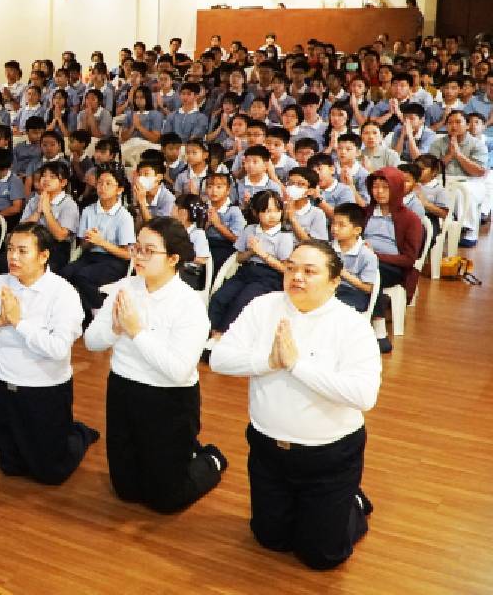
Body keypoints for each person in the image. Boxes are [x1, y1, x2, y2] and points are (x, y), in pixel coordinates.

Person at [210, 240, 381, 571]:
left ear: (335, 281)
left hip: (328, 456)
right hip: (268, 449)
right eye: (290, 267)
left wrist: (296, 365)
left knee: (321, 557)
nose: (296, 277)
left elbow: (364, 395)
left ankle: (352, 502)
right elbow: (219, 358)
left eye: (309, 271)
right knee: (270, 540)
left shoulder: (352, 324)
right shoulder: (263, 307)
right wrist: (269, 361)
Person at [85, 217, 227, 512]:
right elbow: (91, 343)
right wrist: (113, 328)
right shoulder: (126, 287)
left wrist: (136, 331)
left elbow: (178, 370)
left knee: (167, 500)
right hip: (123, 391)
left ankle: (210, 459)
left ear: (173, 259)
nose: (138, 256)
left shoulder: (189, 304)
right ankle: (185, 453)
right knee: (126, 491)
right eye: (137, 248)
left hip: (169, 400)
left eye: (149, 251)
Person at [0, 223, 98, 484]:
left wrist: (19, 323)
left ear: (44, 255)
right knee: (10, 467)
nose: (13, 257)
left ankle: (79, 433)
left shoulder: (63, 293)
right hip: (2, 385)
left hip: (44, 389)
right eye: (11, 249)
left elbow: (58, 349)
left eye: (23, 251)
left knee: (51, 474)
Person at [207, 190, 294, 340]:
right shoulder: (250, 230)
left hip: (269, 276)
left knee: (242, 301)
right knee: (219, 297)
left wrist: (262, 253)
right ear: (256, 212)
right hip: (246, 271)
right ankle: (209, 332)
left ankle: (223, 337)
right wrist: (251, 252)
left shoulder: (284, 236)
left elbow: (285, 268)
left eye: (276, 210)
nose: (272, 215)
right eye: (267, 211)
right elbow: (239, 258)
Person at [362, 167, 425, 353]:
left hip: (392, 266)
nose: (379, 192)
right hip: (363, 259)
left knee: (373, 273)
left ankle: (379, 329)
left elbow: (409, 259)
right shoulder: (366, 212)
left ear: (397, 189)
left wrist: (375, 256)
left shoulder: (410, 219)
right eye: (375, 187)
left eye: (385, 187)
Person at [59, 168, 134, 318]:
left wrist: (102, 242)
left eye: (108, 184)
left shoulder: (124, 216)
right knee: (64, 274)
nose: (103, 187)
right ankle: (74, 314)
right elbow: (83, 245)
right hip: (90, 256)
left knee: (83, 276)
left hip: (115, 261)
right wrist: (90, 242)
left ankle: (101, 312)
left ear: (119, 189)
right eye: (100, 183)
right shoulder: (88, 211)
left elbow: (127, 254)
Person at [427, 109, 488, 247]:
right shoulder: (438, 143)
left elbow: (478, 172)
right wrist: (450, 154)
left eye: (458, 122)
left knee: (463, 191)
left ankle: (467, 229)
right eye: (449, 123)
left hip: (471, 181)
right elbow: (432, 169)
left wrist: (459, 155)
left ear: (467, 125)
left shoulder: (477, 144)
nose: (453, 126)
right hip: (443, 178)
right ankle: (433, 229)